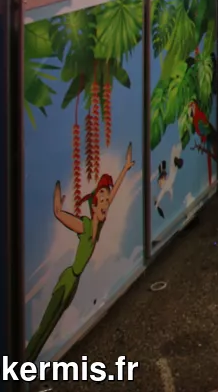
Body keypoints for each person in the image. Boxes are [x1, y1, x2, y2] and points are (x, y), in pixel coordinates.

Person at [26, 143, 136, 361]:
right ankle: (26, 361)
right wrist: (57, 198)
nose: (106, 203)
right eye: (102, 201)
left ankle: (30, 360)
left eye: (106, 201)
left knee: (53, 323)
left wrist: (125, 168)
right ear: (93, 207)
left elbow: (113, 193)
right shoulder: (85, 225)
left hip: (74, 282)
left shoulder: (98, 225)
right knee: (46, 324)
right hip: (68, 279)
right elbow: (59, 214)